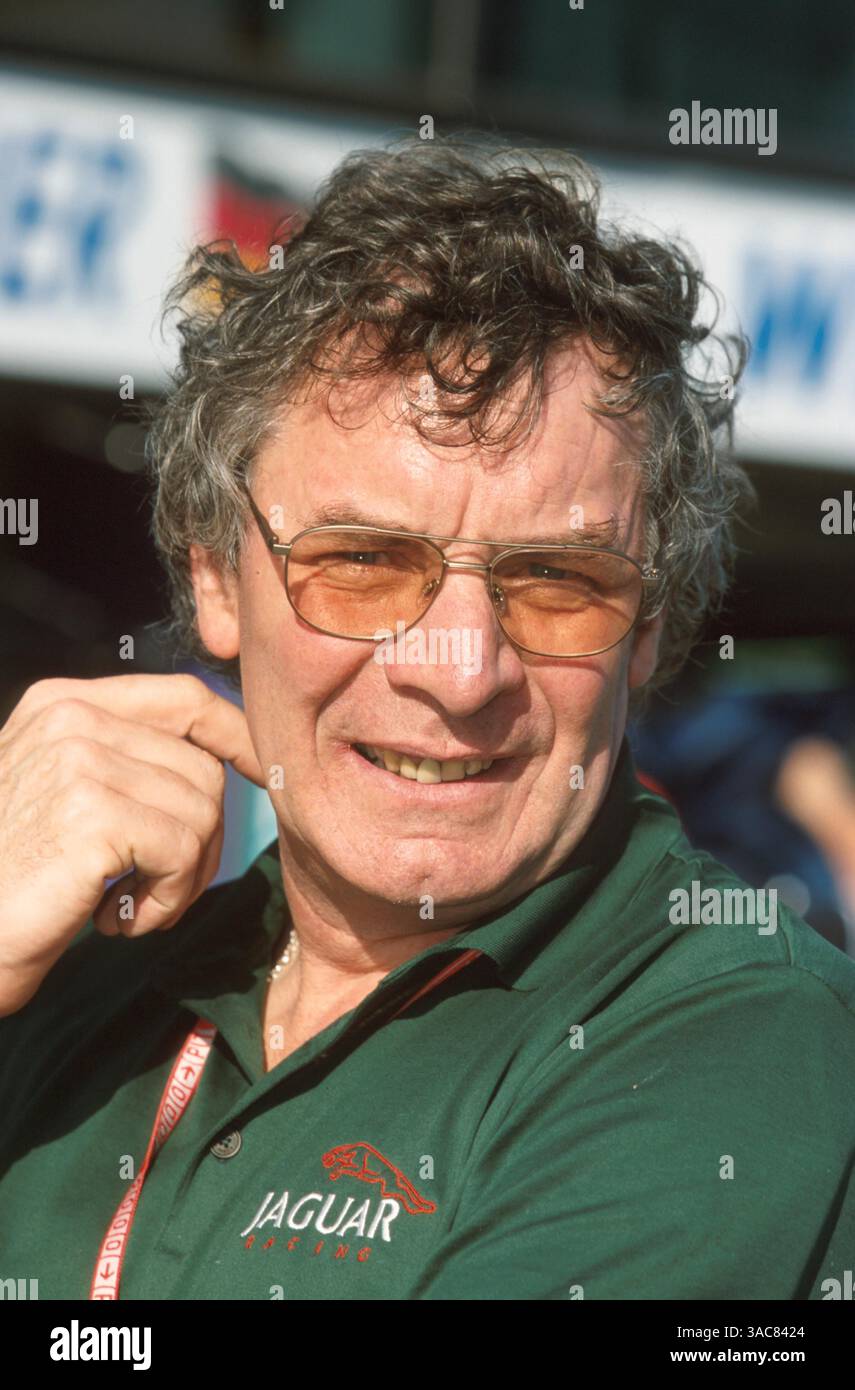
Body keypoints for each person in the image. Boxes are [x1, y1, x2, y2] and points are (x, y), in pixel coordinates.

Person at [0, 138, 853, 1302]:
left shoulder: (747, 1041)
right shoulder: (69, 972)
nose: (460, 673)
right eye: (363, 563)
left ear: (650, 625)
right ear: (214, 576)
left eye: (556, 579)